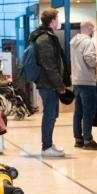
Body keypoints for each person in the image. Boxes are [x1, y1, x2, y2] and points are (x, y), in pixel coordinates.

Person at [31, 9, 70, 157]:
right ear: (52, 21)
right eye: (58, 19)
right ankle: (46, 147)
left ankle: (48, 143)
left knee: (51, 115)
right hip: (48, 85)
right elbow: (49, 65)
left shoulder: (47, 37)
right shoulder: (45, 39)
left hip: (49, 84)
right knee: (49, 115)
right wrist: (60, 86)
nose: (59, 22)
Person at [70, 21, 97, 149]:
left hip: (76, 80)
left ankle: (78, 139)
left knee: (78, 112)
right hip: (87, 81)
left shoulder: (73, 42)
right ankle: (88, 140)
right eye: (93, 28)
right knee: (88, 111)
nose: (94, 31)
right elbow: (89, 58)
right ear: (89, 28)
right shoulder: (88, 41)